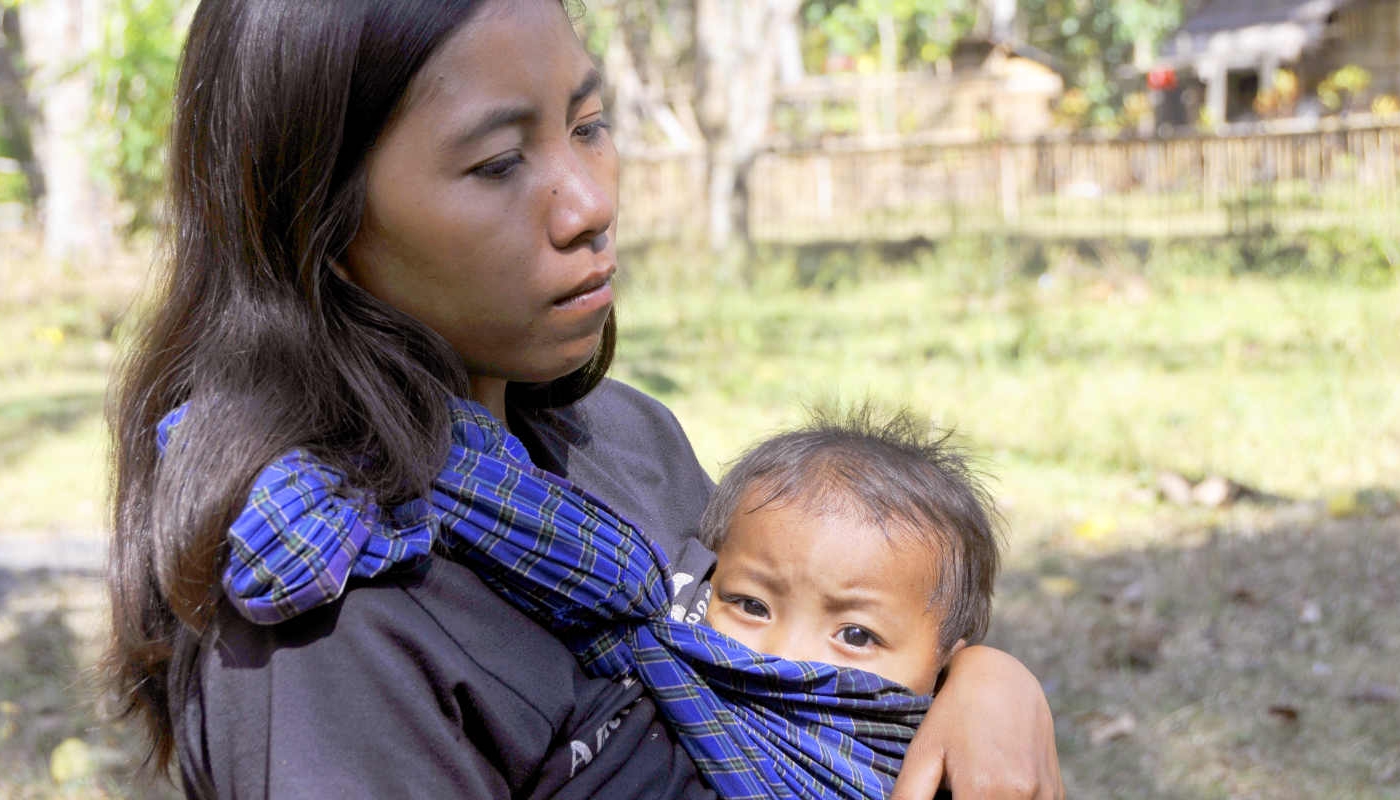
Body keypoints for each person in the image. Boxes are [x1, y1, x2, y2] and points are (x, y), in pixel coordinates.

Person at [101, 0, 1063, 797]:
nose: (588, 203)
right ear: (319, 216)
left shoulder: (622, 437)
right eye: (497, 163)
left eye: (589, 126)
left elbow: (802, 666)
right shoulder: (330, 617)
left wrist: (981, 682)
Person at [700, 408, 1001, 699]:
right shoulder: (671, 686)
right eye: (753, 606)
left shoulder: (926, 748)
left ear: (942, 672)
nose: (784, 658)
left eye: (856, 635)